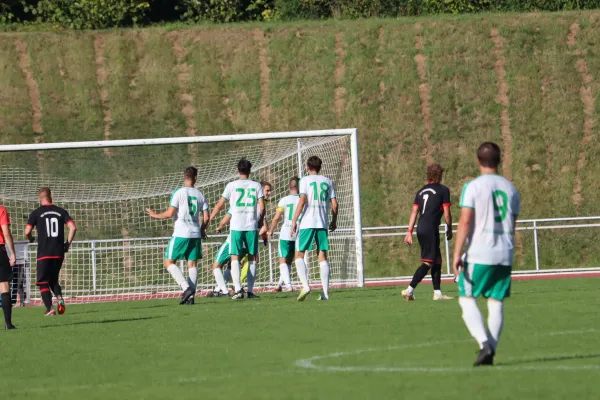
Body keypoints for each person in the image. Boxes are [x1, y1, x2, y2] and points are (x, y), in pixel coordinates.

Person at [452, 142, 520, 366]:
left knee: (466, 298)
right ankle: (489, 350)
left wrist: (456, 253)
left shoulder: (473, 186)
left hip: (480, 252)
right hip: (504, 251)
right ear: (499, 160)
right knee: (496, 301)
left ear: (478, 161)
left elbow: (465, 221)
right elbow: (512, 224)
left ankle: (485, 344)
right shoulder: (511, 189)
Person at [146, 166, 209, 305]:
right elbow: (207, 217)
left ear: (184, 177)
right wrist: (203, 230)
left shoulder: (178, 192)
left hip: (181, 233)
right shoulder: (200, 194)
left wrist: (155, 215)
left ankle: (186, 289)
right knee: (192, 264)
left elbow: (169, 214)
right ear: (195, 178)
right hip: (195, 233)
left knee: (168, 262)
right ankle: (191, 297)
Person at [210, 158, 265, 300]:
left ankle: (238, 290)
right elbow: (262, 207)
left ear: (238, 170)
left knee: (234, 257)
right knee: (252, 258)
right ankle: (250, 292)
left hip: (236, 226)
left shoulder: (231, 185)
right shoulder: (257, 185)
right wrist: (258, 221)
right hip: (251, 225)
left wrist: (210, 218)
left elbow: (220, 204)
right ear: (250, 170)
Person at [402, 164, 453, 301]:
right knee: (428, 262)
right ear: (439, 175)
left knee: (437, 260)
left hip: (421, 227)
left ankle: (437, 293)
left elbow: (414, 212)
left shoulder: (421, 191)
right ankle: (410, 289)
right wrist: (450, 228)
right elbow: (447, 214)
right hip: (431, 228)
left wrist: (409, 232)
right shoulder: (443, 190)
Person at [24, 187, 77, 316]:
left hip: (44, 252)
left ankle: (50, 309)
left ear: (39, 198)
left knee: (42, 282)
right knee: (53, 280)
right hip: (59, 252)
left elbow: (26, 232)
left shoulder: (36, 213)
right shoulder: (61, 211)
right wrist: (67, 244)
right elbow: (73, 227)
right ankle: (59, 298)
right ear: (51, 196)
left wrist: (31, 239)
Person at [291, 156, 338, 301]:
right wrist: (334, 221)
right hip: (322, 223)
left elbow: (303, 200)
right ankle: (325, 293)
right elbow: (335, 205)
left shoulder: (304, 180)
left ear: (307, 167)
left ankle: (305, 286)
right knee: (322, 257)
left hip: (307, 222)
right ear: (320, 167)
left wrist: (294, 220)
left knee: (299, 255)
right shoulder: (327, 181)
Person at [267, 177, 301, 292]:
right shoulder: (303, 199)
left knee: (282, 260)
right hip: (299, 232)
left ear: (289, 187)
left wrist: (271, 230)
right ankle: (279, 285)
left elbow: (277, 217)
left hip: (286, 233)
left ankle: (289, 286)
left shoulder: (284, 200)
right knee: (289, 261)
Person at [0, 205, 17, 329]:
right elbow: (6, 233)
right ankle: (8, 324)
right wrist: (12, 253)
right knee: (4, 285)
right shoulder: (1, 210)